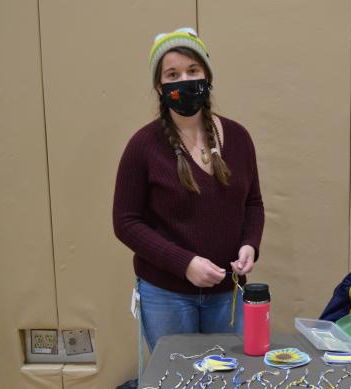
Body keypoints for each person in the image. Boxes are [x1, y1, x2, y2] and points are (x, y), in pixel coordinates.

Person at [113, 28, 264, 352]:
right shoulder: (142, 146)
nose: (184, 80)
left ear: (207, 76)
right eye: (172, 74)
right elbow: (125, 222)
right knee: (177, 385)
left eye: (193, 71)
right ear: (159, 86)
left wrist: (250, 244)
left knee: (230, 384)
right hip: (166, 294)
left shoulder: (238, 138)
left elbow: (252, 203)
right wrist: (184, 262)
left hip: (228, 292)